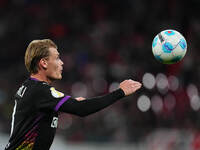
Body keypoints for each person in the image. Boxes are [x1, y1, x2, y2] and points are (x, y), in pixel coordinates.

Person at [5, 39, 142, 150]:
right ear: (44, 63)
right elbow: (82, 109)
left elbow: (35, 116)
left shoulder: (30, 87)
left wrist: (69, 105)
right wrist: (120, 92)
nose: (62, 63)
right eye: (57, 58)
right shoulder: (40, 91)